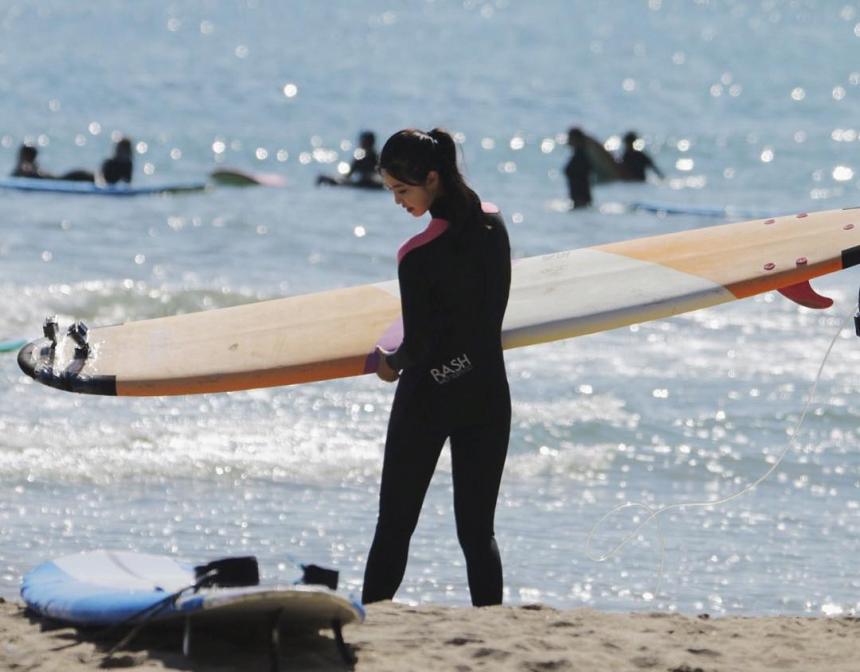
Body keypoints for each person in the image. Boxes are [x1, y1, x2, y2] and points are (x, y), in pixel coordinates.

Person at [362, 128, 512, 607]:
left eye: (402, 191)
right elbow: (484, 318)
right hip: (487, 391)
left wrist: (390, 364)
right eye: (391, 192)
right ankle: (492, 627)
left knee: (395, 525)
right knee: (477, 533)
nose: (398, 201)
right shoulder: (494, 226)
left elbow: (421, 344)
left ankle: (373, 624)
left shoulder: (416, 255)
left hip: (429, 398)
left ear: (432, 177)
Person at [316, 130, 383, 189]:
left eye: (365, 142)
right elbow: (347, 176)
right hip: (363, 183)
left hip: (375, 184)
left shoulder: (378, 158)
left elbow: (383, 176)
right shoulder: (360, 159)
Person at [10, 144, 93, 182]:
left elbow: (25, 171)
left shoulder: (25, 167)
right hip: (55, 179)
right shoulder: (29, 167)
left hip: (55, 180)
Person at [564, 127, 592, 208]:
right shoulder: (579, 155)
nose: (568, 139)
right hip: (580, 198)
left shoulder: (581, 156)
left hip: (581, 198)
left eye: (570, 137)